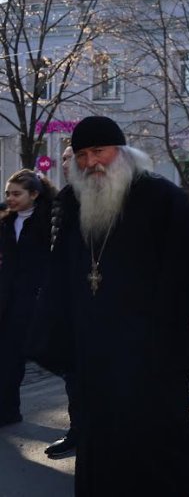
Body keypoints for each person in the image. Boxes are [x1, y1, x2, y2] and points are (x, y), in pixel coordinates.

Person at [34, 116, 189, 495]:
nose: (90, 162)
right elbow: (61, 271)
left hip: (150, 346)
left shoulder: (162, 197)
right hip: (94, 347)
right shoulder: (71, 201)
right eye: (81, 154)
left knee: (152, 437)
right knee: (99, 436)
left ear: (122, 152)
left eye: (98, 151)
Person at [0, 170, 57, 427]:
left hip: (34, 297)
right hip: (6, 296)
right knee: (7, 357)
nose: (10, 199)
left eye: (16, 194)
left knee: (21, 355)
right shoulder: (5, 221)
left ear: (34, 194)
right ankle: (8, 411)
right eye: (7, 194)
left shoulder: (48, 220)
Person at [43, 145, 80, 460]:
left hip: (108, 308)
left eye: (72, 157)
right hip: (70, 306)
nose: (66, 162)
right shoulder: (65, 198)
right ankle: (77, 431)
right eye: (65, 157)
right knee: (73, 377)